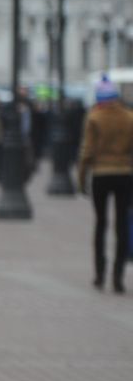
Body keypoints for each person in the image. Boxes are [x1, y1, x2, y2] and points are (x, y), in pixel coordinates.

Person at [77, 75, 133, 292]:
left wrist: (82, 179)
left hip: (101, 174)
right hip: (125, 175)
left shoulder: (94, 118)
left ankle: (100, 274)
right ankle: (118, 278)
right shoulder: (129, 118)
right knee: (121, 224)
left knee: (100, 223)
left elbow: (86, 152)